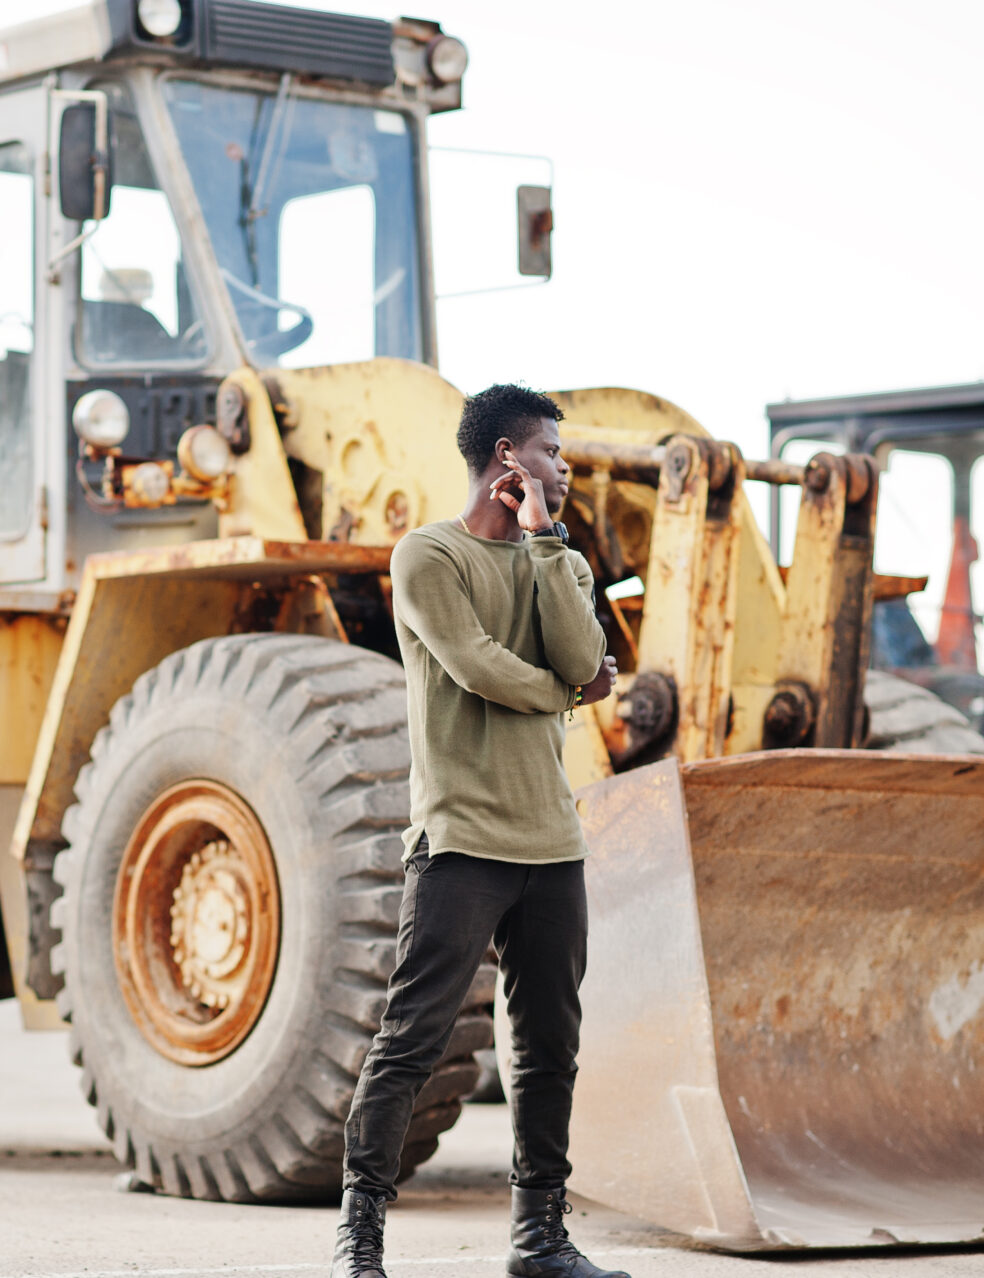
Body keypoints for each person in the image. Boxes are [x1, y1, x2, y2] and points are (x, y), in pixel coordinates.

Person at [331, 384, 624, 1278]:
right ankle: (360, 1236)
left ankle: (539, 1241)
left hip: (552, 844)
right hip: (461, 840)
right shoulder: (426, 555)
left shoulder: (559, 560)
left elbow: (581, 653)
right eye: (552, 454)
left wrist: (545, 542)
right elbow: (482, 668)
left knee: (548, 1051)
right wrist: (571, 691)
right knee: (413, 1038)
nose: (564, 469)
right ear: (507, 457)